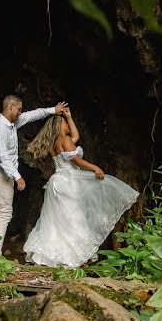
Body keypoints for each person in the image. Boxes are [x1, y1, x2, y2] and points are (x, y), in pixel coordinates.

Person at [23, 107, 139, 268]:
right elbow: (76, 161)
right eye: (65, 122)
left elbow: (75, 137)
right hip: (69, 181)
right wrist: (94, 168)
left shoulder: (55, 141)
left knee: (58, 221)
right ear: (59, 125)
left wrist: (69, 117)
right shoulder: (65, 140)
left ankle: (54, 256)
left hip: (57, 181)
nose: (68, 125)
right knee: (75, 219)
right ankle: (76, 257)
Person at [0, 95, 67, 256]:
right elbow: (2, 157)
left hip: (3, 177)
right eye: (19, 109)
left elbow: (33, 114)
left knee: (2, 213)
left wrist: (53, 110)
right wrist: (18, 177)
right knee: (4, 213)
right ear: (10, 107)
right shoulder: (0, 128)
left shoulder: (12, 123)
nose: (20, 113)